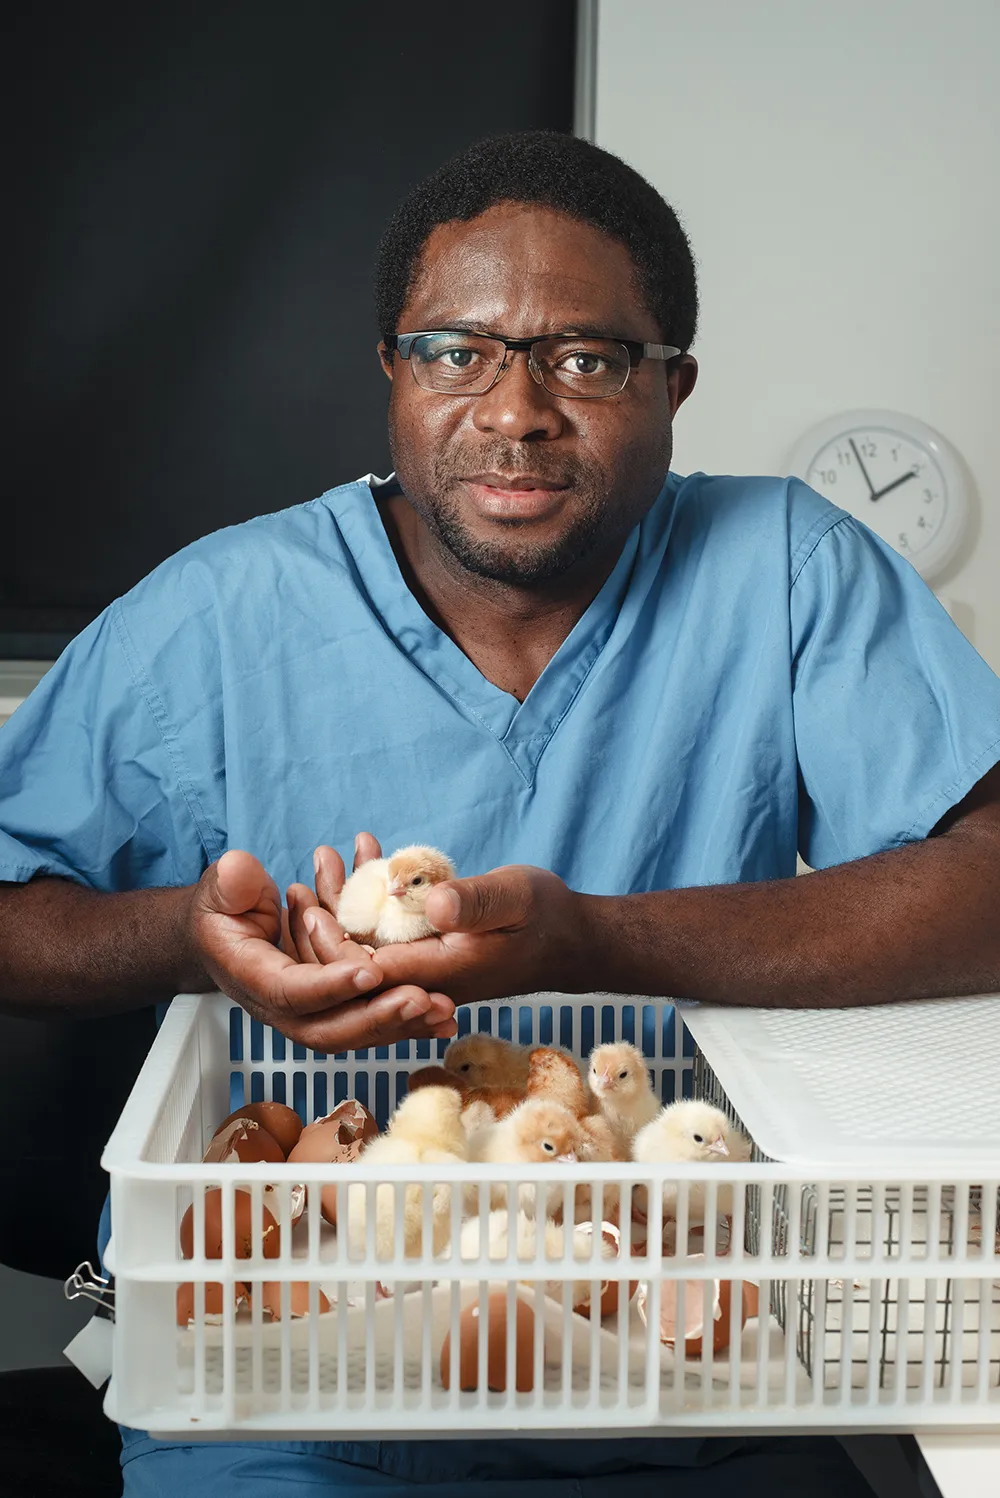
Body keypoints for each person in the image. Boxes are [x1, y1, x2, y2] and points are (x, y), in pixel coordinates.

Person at [1, 129, 998, 1496]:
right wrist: (188, 937)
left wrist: (595, 938)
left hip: (699, 1369)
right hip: (292, 1394)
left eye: (583, 359)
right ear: (393, 376)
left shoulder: (788, 569)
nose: (515, 408)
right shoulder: (222, 612)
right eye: (456, 350)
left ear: (674, 386)